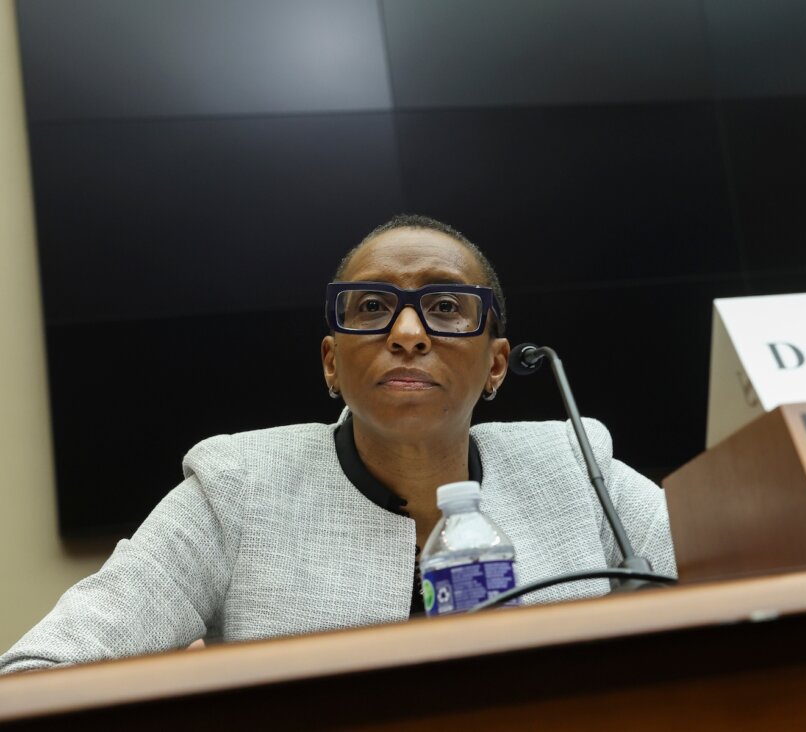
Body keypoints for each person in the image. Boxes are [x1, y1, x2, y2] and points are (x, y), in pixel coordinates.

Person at [0, 215, 675, 673]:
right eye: (372, 306)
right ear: (331, 362)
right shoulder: (235, 489)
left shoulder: (577, 467)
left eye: (445, 306)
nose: (408, 332)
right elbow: (36, 675)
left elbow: (755, 585)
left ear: (496, 364)